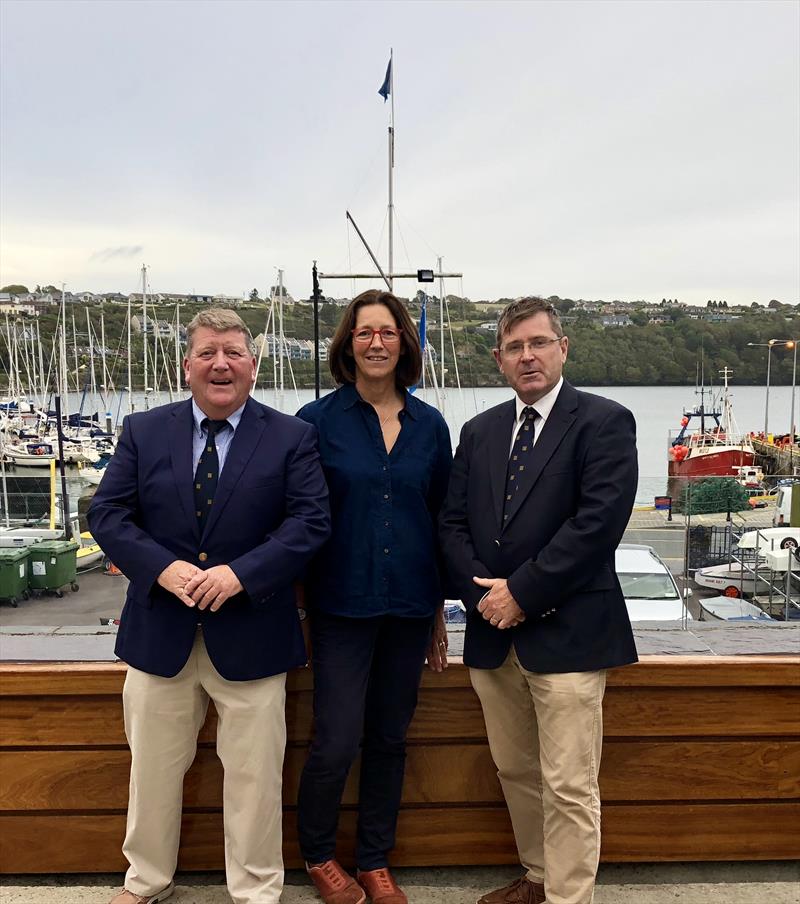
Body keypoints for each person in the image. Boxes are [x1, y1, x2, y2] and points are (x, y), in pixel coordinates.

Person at [88, 308, 331, 904]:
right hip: (159, 633)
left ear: (253, 365)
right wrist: (163, 569)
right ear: (186, 365)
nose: (220, 363)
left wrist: (240, 575)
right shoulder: (145, 431)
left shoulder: (291, 436)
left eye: (232, 352)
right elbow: (106, 514)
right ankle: (145, 881)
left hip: (252, 633)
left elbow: (310, 522)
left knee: (254, 778)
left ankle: (255, 891)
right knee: (152, 772)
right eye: (206, 353)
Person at [439, 297, 638, 904]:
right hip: (493, 635)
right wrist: (485, 597)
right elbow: (451, 524)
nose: (528, 356)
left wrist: (520, 593)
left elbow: (598, 525)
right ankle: (538, 876)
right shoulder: (479, 432)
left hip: (570, 634)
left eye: (538, 343)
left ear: (562, 348)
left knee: (571, 783)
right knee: (517, 771)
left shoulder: (605, 422)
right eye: (514, 347)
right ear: (499, 360)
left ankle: (568, 897)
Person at [295, 289, 452, 904]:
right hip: (340, 607)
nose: (377, 343)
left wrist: (439, 609)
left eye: (388, 332)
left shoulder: (430, 426)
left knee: (389, 737)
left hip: (410, 606)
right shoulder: (316, 423)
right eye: (365, 333)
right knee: (335, 738)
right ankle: (316, 855)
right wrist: (301, 609)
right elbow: (301, 520)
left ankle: (374, 860)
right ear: (348, 345)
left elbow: (440, 520)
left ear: (404, 343)